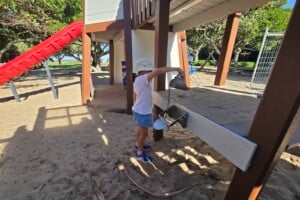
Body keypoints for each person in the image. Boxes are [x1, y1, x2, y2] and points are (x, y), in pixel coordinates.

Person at [132, 58, 184, 163]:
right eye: (149, 71)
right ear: (143, 71)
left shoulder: (137, 80)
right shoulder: (143, 79)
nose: (151, 72)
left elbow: (134, 95)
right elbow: (159, 71)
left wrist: (136, 105)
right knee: (144, 133)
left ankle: (138, 145)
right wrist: (177, 68)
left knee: (140, 128)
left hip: (137, 110)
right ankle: (139, 153)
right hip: (143, 112)